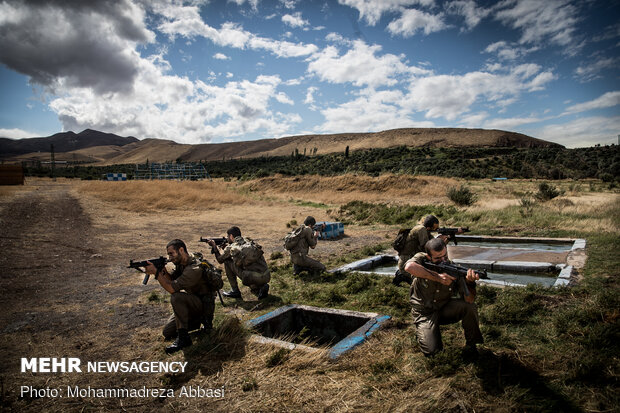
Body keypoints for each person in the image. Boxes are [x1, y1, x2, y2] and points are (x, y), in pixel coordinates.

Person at [404, 237, 483, 357]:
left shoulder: (454, 269)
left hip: (444, 309)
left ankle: (471, 346)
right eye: (438, 258)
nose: (443, 260)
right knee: (433, 353)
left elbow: (469, 300)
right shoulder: (421, 259)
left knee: (469, 307)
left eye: (445, 256)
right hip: (424, 312)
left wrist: (470, 282)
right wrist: (438, 278)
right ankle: (424, 331)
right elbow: (409, 267)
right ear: (428, 256)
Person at [144, 239, 216, 354]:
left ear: (181, 250)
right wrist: (161, 269)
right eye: (168, 255)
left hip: (203, 306)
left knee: (176, 297)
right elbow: (171, 280)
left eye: (171, 254)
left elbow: (172, 288)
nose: (170, 258)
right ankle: (195, 323)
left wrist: (156, 274)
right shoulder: (182, 264)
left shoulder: (194, 268)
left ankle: (184, 338)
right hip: (192, 303)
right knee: (167, 332)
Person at [393, 215, 464, 286]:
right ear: (429, 227)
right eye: (435, 228)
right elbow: (428, 249)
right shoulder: (421, 229)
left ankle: (403, 275)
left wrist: (447, 238)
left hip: (413, 260)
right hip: (406, 262)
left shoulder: (427, 232)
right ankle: (402, 275)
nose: (436, 230)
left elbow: (436, 249)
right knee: (422, 281)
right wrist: (439, 238)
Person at [208, 226, 270, 300]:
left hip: (253, 276)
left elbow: (220, 260)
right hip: (266, 275)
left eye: (228, 236)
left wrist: (214, 247)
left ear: (231, 236)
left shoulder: (231, 247)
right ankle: (260, 287)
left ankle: (235, 290)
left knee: (227, 262)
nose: (227, 238)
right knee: (248, 268)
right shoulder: (249, 241)